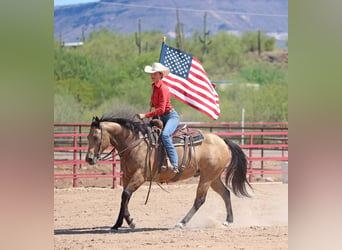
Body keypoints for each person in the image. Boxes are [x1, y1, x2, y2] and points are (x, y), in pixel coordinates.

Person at [138, 62, 180, 173]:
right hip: (160, 117)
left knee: (165, 135)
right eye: (151, 74)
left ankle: (175, 163)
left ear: (160, 75)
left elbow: (162, 109)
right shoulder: (154, 87)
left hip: (171, 116)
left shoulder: (163, 89)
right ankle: (157, 161)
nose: (152, 76)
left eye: (154, 74)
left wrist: (145, 115)